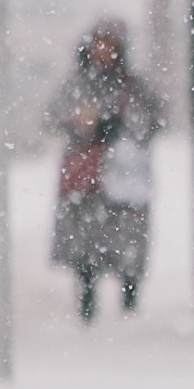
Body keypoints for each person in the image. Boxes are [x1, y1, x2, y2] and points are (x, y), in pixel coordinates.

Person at [50, 20, 165, 323]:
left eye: (108, 44)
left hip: (125, 175)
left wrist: (124, 126)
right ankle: (87, 296)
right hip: (85, 176)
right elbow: (55, 114)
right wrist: (81, 122)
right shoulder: (76, 84)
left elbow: (154, 116)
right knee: (85, 241)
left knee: (127, 239)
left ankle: (129, 296)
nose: (102, 51)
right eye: (98, 44)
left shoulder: (132, 84)